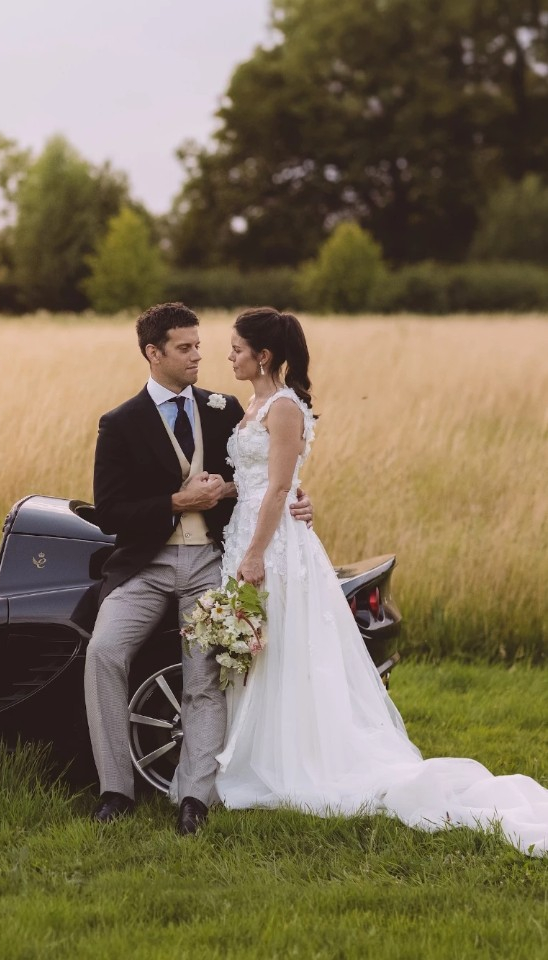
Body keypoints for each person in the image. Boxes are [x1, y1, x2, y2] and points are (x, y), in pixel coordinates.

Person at [214, 306, 548, 857]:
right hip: (249, 535)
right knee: (259, 651)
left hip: (272, 547)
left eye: (236, 347)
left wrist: (254, 553)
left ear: (263, 355)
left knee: (287, 651)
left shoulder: (284, 408)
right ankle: (252, 751)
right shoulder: (252, 405)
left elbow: (277, 489)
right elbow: (258, 483)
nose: (230, 355)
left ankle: (295, 760)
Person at [84, 302, 312, 835]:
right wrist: (176, 503)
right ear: (153, 353)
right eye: (185, 348)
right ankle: (116, 789)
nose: (197, 356)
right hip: (145, 566)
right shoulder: (119, 423)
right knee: (103, 652)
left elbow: (265, 475)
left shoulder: (222, 407)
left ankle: (195, 797)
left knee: (205, 674)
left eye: (199, 345)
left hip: (212, 560)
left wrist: (300, 501)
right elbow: (110, 511)